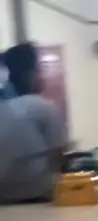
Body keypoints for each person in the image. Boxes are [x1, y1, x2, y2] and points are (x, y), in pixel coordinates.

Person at [0, 42, 72, 204]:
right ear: (29, 74)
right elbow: (59, 155)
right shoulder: (42, 107)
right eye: (39, 70)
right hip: (40, 198)